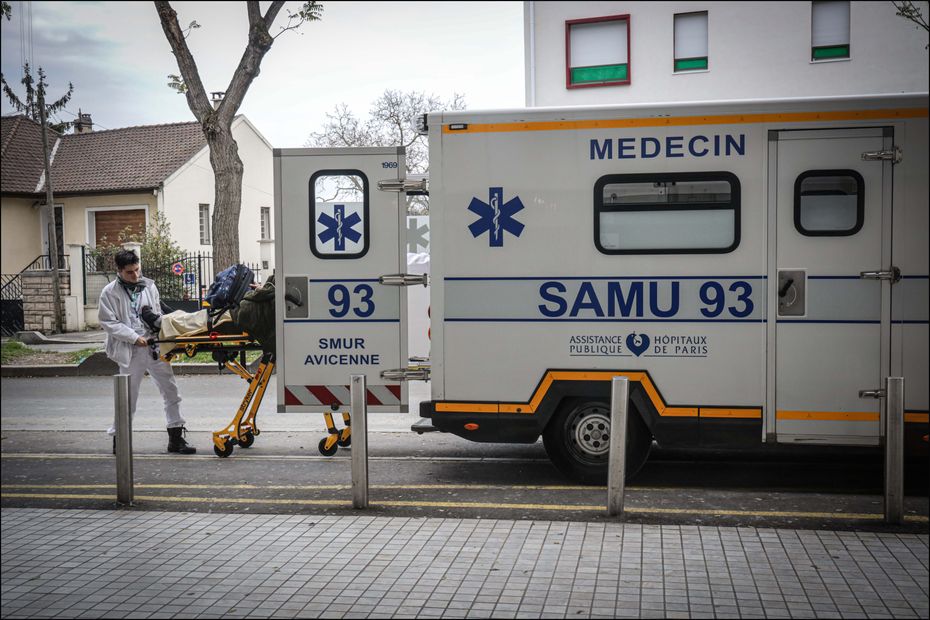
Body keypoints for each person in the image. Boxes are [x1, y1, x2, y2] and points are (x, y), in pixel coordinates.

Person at [98, 249, 195, 454]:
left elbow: (157, 312)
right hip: (130, 349)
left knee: (171, 391)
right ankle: (120, 440)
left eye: (137, 270)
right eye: (130, 272)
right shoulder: (109, 292)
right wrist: (134, 337)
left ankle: (175, 437)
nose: (135, 276)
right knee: (128, 397)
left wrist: (157, 325)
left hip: (153, 346)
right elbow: (109, 322)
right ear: (119, 271)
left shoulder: (149, 286)